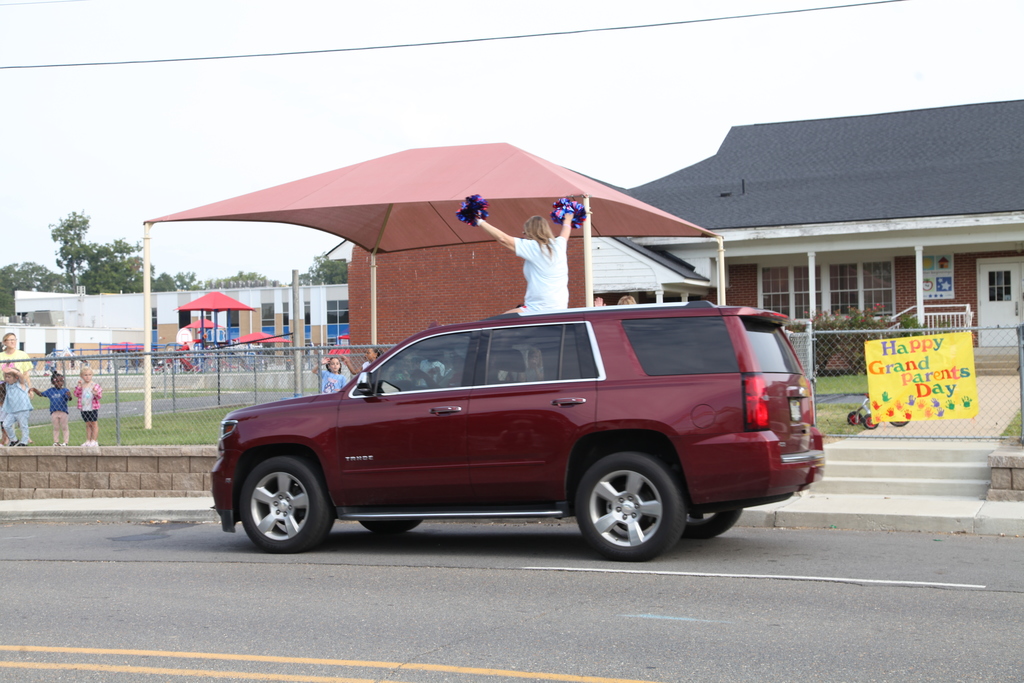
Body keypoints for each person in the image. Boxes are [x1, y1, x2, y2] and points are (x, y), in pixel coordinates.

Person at [476, 209, 574, 313]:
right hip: (560, 308)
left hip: (538, 308)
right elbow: (565, 233)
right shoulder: (559, 244)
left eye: (524, 233)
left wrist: (479, 221)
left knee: (498, 323)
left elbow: (503, 238)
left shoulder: (535, 247)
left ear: (530, 232)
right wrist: (567, 220)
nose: (524, 236)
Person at [31, 373, 73, 446]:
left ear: (63, 382)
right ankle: (56, 442)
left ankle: (65, 442)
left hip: (63, 412)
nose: (58, 383)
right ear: (52, 383)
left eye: (60, 381)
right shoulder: (51, 391)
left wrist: (69, 396)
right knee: (56, 427)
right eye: (56, 381)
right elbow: (41, 394)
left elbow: (69, 399)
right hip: (54, 412)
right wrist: (35, 390)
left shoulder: (65, 390)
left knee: (64, 427)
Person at [2, 368, 32, 446]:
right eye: (6, 377)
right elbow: (4, 375)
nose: (7, 379)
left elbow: (21, 376)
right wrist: (6, 368)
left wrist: (13, 370)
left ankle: (24, 441)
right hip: (12, 411)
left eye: (9, 377)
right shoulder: (8, 386)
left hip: (22, 409)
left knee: (23, 426)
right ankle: (14, 440)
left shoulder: (21, 384)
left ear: (16, 378)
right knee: (6, 424)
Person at [74, 365, 103, 447]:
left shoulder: (95, 385)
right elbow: (76, 394)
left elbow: (99, 396)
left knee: (94, 423)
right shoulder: (81, 385)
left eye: (89, 375)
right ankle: (88, 440)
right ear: (81, 376)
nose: (87, 377)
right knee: (87, 424)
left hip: (92, 407)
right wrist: (79, 387)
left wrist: (96, 394)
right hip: (84, 407)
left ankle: (94, 440)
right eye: (85, 375)